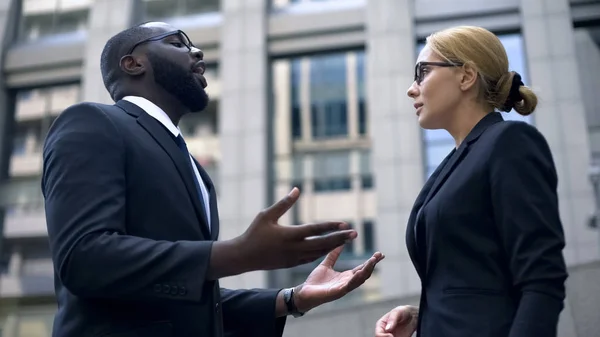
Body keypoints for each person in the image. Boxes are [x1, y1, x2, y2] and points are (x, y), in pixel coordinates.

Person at [42, 21, 384, 337]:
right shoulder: (91, 122)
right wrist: (237, 254)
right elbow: (84, 258)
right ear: (133, 64)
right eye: (177, 43)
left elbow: (183, 297)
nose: (197, 52)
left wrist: (292, 299)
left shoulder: (195, 170)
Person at [375, 26, 568, 337]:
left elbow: (542, 280)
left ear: (466, 76)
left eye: (422, 72)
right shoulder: (455, 162)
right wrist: (423, 316)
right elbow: (479, 280)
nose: (412, 89)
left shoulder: (510, 142)